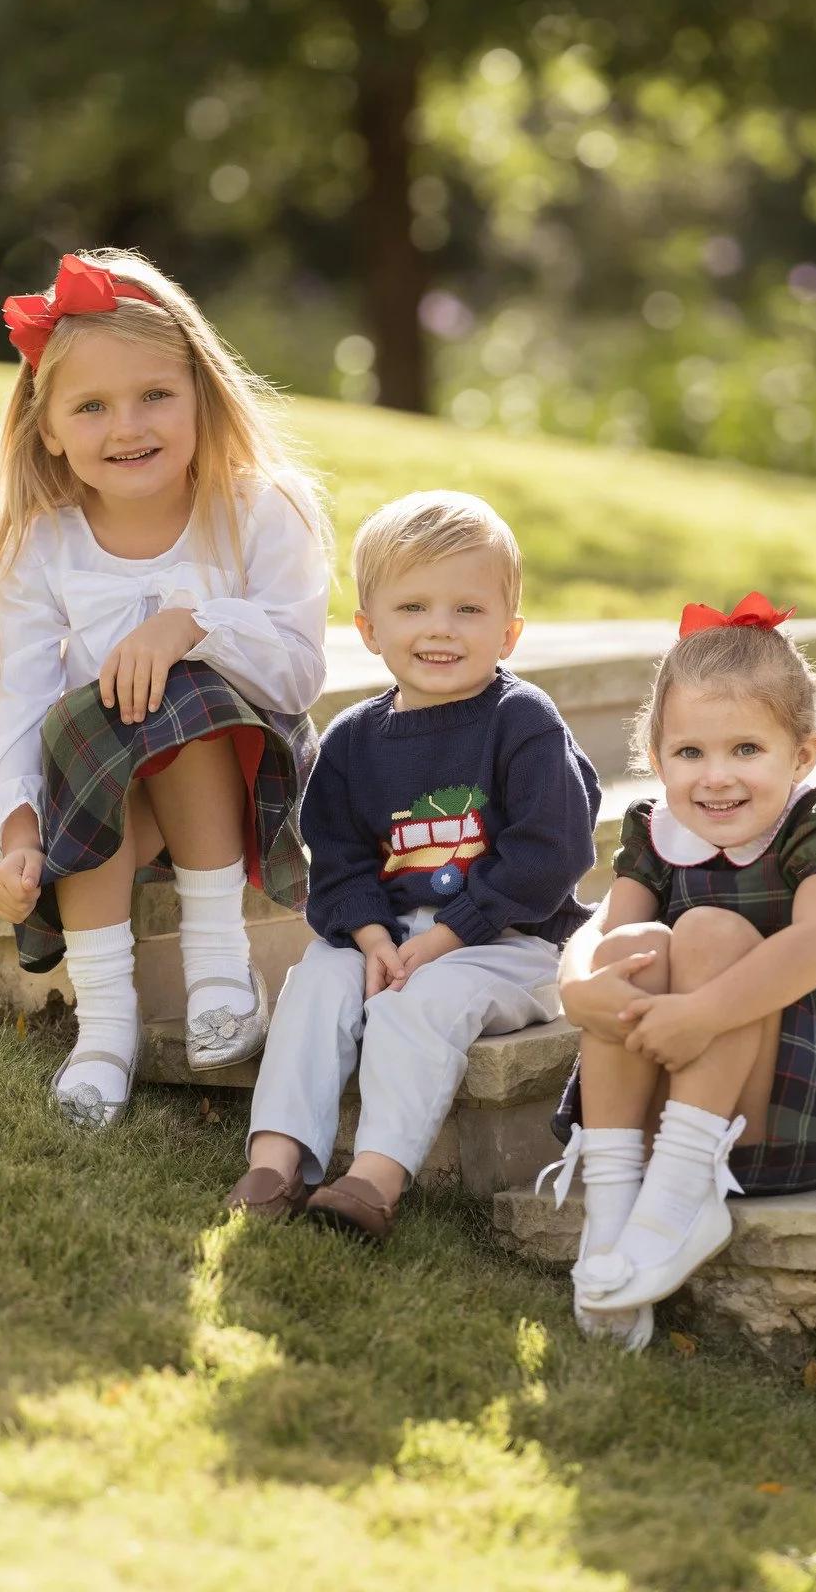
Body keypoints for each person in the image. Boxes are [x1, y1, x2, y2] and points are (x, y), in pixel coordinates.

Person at [0, 248, 329, 1128]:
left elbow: (296, 672)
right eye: (91, 407)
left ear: (202, 395)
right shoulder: (42, 543)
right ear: (49, 428)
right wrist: (16, 834)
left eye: (155, 395)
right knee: (85, 728)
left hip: (245, 777)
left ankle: (219, 967)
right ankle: (106, 1025)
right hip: (110, 800)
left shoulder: (261, 508)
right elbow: (16, 699)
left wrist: (193, 625)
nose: (126, 427)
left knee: (173, 697)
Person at [543, 594, 816, 1350]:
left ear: (800, 756)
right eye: (690, 754)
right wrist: (576, 988)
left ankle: (682, 1197)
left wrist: (701, 1014)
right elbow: (602, 929)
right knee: (629, 946)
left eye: (746, 749)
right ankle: (614, 1208)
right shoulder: (655, 828)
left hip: (803, 1099)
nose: (717, 778)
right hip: (678, 1093)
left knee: (709, 930)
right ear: (657, 759)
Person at [231, 491, 602, 1240]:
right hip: (390, 936)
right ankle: (275, 1162)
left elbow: (549, 852)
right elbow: (338, 862)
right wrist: (371, 936)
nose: (440, 628)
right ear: (369, 629)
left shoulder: (522, 722)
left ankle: (374, 1179)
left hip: (511, 941)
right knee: (316, 982)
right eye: (413, 607)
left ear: (509, 630)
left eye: (468, 609)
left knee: (422, 1001)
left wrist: (446, 937)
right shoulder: (351, 742)